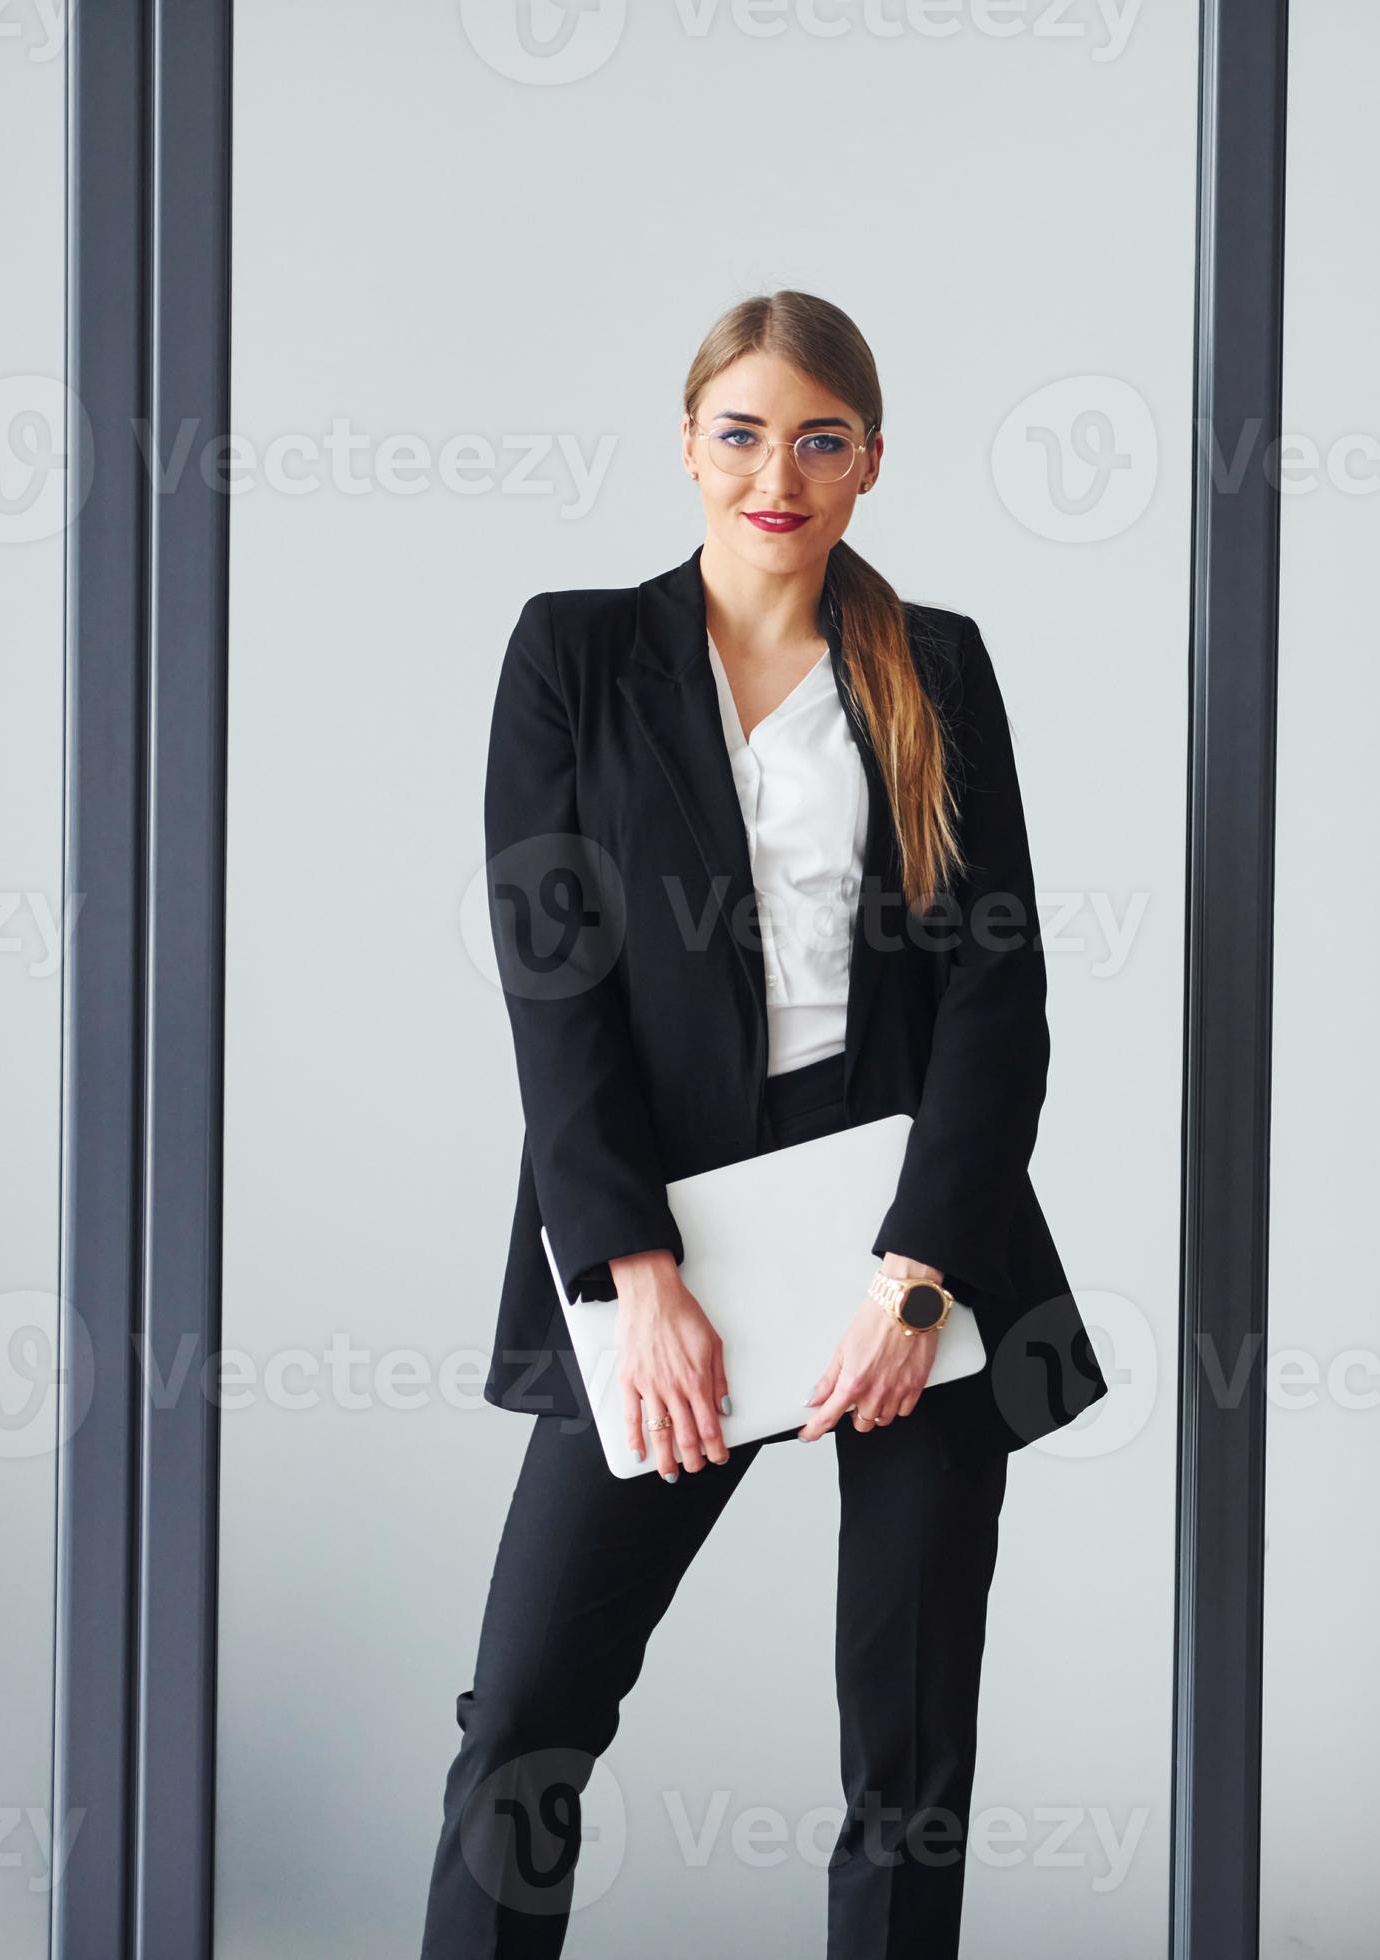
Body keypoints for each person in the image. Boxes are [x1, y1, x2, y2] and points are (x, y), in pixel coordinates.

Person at [419, 289, 1109, 1958]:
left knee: (908, 1753)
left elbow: (998, 997)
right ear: (687, 444)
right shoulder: (573, 654)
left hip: (910, 1240)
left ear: (870, 462)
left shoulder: (934, 663)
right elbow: (550, 976)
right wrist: (629, 1269)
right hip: (676, 1232)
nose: (774, 473)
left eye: (817, 439)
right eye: (740, 434)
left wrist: (921, 1273)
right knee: (527, 1717)